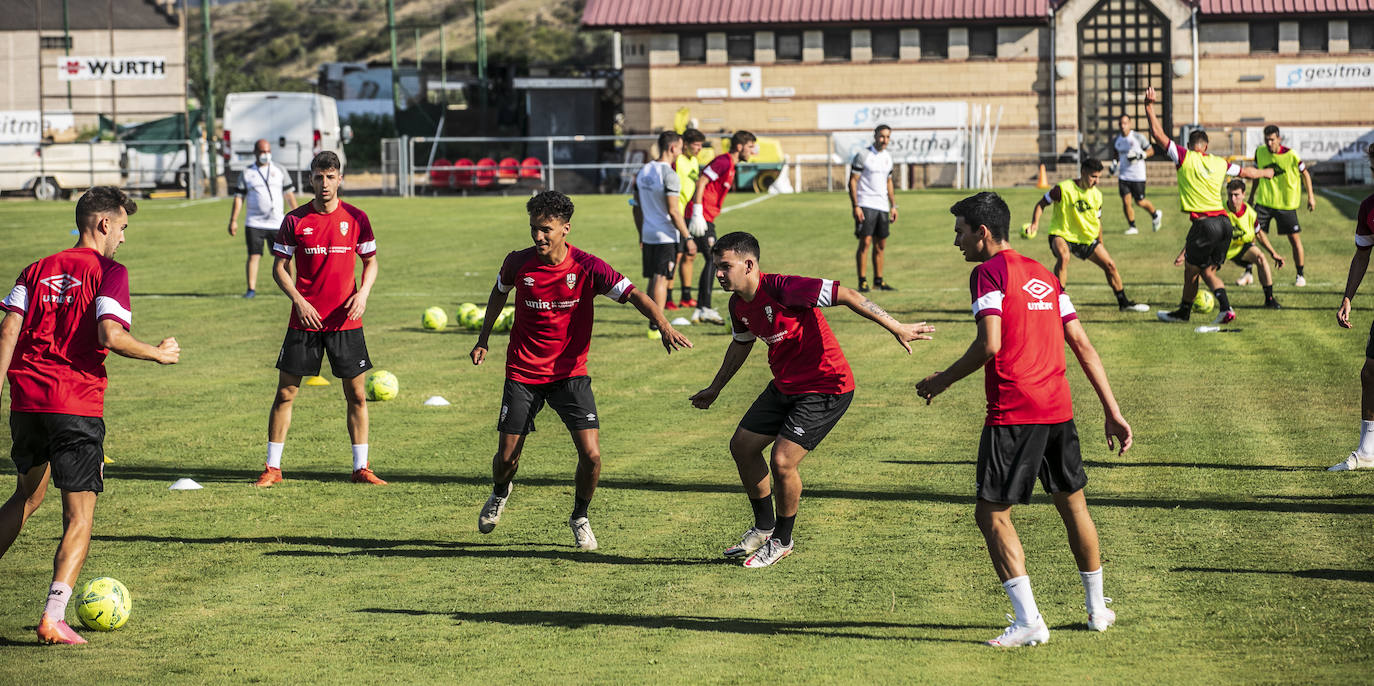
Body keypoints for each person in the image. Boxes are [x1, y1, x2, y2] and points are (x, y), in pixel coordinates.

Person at [915, 191, 1131, 648]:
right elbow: (1083, 346)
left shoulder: (987, 273)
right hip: (1059, 409)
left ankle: (1029, 619)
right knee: (1074, 506)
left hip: (1015, 411)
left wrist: (942, 379)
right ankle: (1097, 610)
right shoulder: (1044, 276)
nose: (956, 241)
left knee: (991, 513)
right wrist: (1112, 411)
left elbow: (990, 343)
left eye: (960, 232)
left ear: (983, 232)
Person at [0, 187, 180, 645]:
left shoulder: (35, 269)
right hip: (74, 405)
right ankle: (53, 617)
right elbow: (110, 335)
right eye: (121, 227)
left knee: (26, 496)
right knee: (78, 516)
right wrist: (157, 354)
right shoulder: (108, 270)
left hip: (26, 403)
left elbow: (7, 331)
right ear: (103, 224)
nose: (122, 238)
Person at [689, 232, 934, 568]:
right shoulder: (738, 305)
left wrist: (896, 326)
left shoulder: (785, 288)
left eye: (724, 266)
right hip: (786, 386)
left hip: (826, 387)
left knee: (783, 462)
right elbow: (741, 345)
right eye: (717, 266)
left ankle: (782, 541)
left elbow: (847, 294)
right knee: (742, 446)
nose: (718, 273)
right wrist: (715, 388)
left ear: (748, 265)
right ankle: (764, 527)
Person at [471, 191, 691, 550]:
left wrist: (663, 324)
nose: (538, 237)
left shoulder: (588, 267)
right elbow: (499, 292)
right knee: (507, 458)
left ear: (565, 229)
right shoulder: (517, 263)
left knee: (592, 455)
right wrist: (484, 339)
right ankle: (500, 491)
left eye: (546, 230)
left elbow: (634, 293)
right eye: (533, 229)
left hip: (571, 374)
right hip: (524, 372)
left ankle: (580, 516)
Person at [255, 151, 385, 487]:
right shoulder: (295, 220)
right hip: (305, 322)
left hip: (346, 322)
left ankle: (361, 468)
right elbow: (279, 268)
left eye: (330, 176)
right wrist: (298, 300)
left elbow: (370, 261)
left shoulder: (357, 217)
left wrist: (363, 294)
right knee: (286, 393)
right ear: (310, 179)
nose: (324, 183)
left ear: (340, 178)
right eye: (318, 176)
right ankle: (273, 468)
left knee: (356, 395)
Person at [1143, 86, 1273, 325]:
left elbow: (1158, 135)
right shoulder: (1219, 162)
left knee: (1192, 270)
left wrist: (1149, 106)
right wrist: (1266, 172)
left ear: (1191, 145)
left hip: (1205, 225)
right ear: (1206, 145)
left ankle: (1188, 312)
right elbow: (1246, 172)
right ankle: (1221, 309)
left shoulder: (1184, 157)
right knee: (1205, 271)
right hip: (1225, 225)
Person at [1025, 157, 1150, 312]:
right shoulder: (1063, 189)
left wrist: (1101, 243)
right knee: (1064, 257)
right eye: (1093, 176)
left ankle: (1123, 303)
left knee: (1110, 265)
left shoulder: (1097, 196)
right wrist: (1035, 223)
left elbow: (1097, 222)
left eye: (1099, 177)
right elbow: (1041, 204)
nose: (1097, 181)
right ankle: (1059, 300)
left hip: (1086, 238)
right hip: (1061, 234)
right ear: (1083, 173)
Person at [1331, 143, 1374, 471]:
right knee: (1370, 374)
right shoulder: (1368, 208)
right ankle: (1368, 451)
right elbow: (1362, 255)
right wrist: (1348, 297)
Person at [1174, 179, 1283, 309]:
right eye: (1230, 194)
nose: (1233, 198)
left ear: (1243, 194)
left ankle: (1269, 299)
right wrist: (1183, 253)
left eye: (1236, 195)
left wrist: (1273, 253)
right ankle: (1186, 303)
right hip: (1217, 249)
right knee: (1199, 273)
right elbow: (1200, 234)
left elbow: (1259, 234)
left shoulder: (1250, 213)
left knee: (1261, 258)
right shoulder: (1219, 211)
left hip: (1239, 248)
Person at [687, 130, 756, 325]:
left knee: (711, 258)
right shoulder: (724, 161)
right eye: (750, 147)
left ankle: (701, 309)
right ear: (740, 146)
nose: (753, 151)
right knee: (714, 258)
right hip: (700, 216)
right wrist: (698, 211)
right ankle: (704, 308)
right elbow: (702, 181)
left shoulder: (731, 165)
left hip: (706, 215)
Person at [632, 130, 695, 337]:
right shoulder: (669, 174)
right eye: (680, 146)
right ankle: (656, 327)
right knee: (661, 279)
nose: (682, 150)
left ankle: (652, 323)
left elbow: (636, 207)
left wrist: (641, 232)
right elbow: (674, 211)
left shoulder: (644, 171)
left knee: (652, 278)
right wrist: (687, 237)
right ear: (672, 147)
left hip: (649, 233)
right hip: (665, 235)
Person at [1247, 125, 1317, 287]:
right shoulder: (1260, 152)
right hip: (1264, 202)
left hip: (1286, 204)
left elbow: (1305, 173)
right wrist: (1251, 197)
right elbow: (1257, 176)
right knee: (1251, 235)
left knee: (1294, 239)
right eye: (1267, 139)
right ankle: (1248, 272)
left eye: (1272, 139)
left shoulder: (1291, 155)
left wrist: (1311, 197)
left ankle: (1300, 275)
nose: (1269, 142)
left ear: (1279, 139)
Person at [227, 139, 298, 299]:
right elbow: (239, 198)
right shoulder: (247, 172)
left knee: (286, 257)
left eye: (267, 151)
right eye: (262, 152)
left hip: (277, 222)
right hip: (254, 222)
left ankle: (292, 286)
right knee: (254, 255)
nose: (265, 155)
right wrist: (233, 220)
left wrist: (296, 216)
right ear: (255, 153)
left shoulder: (279, 170)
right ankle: (251, 289)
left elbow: (289, 195)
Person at [848, 124, 898, 292]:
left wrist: (893, 206)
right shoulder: (863, 155)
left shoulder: (888, 157)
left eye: (888, 137)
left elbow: (889, 182)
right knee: (866, 243)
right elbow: (853, 181)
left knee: (881, 245)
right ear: (875, 136)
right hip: (866, 204)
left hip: (883, 206)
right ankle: (862, 281)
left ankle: (879, 280)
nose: (885, 140)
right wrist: (856, 206)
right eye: (882, 136)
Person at [670, 128, 707, 310]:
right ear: (685, 144)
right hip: (675, 214)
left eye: (701, 145)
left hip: (688, 214)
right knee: (675, 256)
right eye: (696, 145)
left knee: (690, 254)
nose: (699, 148)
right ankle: (668, 298)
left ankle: (686, 296)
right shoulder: (677, 160)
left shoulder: (694, 161)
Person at [1112, 114, 1164, 235]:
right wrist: (1114, 164)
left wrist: (1141, 155)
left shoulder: (1138, 137)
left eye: (1125, 123)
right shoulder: (1117, 139)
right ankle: (1132, 226)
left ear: (1130, 124)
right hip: (1124, 175)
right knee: (1126, 202)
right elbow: (1116, 154)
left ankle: (1155, 214)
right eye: (1120, 124)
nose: (1122, 126)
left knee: (1140, 201)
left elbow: (1151, 150)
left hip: (1138, 175)